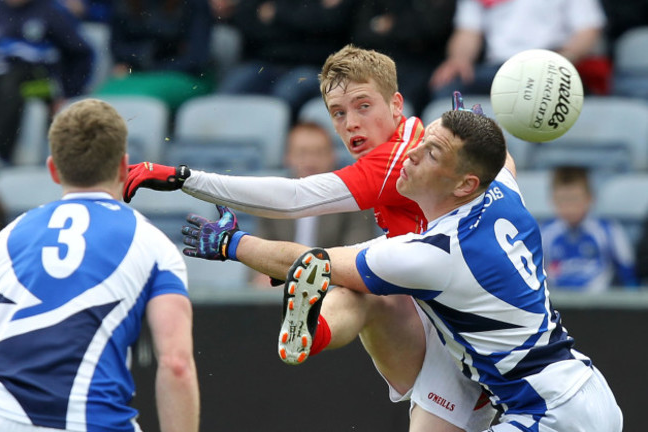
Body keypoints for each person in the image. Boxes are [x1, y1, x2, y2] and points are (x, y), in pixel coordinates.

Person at [182, 107, 623, 432]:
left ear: (465, 183)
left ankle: (316, 334)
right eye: (422, 140)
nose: (411, 154)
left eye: (432, 153)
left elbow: (314, 262)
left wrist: (231, 243)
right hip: (585, 391)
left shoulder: (434, 253)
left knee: (364, 291)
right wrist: (471, 124)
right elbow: (499, 156)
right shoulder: (503, 191)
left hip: (549, 414)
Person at [124, 46, 496, 431]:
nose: (351, 122)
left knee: (359, 281)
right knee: (361, 284)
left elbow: (295, 199)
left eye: (363, 106)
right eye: (338, 112)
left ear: (396, 104)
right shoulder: (413, 151)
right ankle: (306, 330)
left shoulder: (400, 159)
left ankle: (309, 330)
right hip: (448, 325)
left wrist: (188, 179)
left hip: (476, 335)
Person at [0, 99, 199, 431]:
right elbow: (176, 364)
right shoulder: (152, 243)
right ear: (123, 167)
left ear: (53, 169)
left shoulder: (7, 238)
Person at [251, 121, 376, 287]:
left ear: (333, 156)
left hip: (334, 287)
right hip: (280, 287)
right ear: (287, 157)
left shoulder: (354, 199)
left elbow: (355, 258)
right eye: (302, 153)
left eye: (318, 153)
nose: (310, 162)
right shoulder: (272, 199)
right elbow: (259, 254)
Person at [429, 0, 607, 100]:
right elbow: (468, 30)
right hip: (498, 70)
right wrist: (459, 59)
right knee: (449, 88)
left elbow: (588, 29)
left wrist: (560, 61)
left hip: (547, 65)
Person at [214, 0, 356, 118]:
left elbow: (331, 23)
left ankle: (281, 147)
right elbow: (247, 22)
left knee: (283, 97)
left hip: (313, 67)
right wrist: (301, 24)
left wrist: (278, 14)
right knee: (229, 93)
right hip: (265, 64)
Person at [0, 0, 94, 165]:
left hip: (42, 84)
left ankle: (2, 155)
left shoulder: (50, 11)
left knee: (11, 84)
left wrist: (69, 93)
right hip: (2, 76)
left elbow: (81, 54)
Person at [541, 166, 638, 292]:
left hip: (601, 305)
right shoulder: (543, 233)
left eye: (574, 199)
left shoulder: (609, 231)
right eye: (562, 200)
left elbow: (628, 274)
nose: (569, 207)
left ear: (590, 198)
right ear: (552, 200)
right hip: (555, 305)